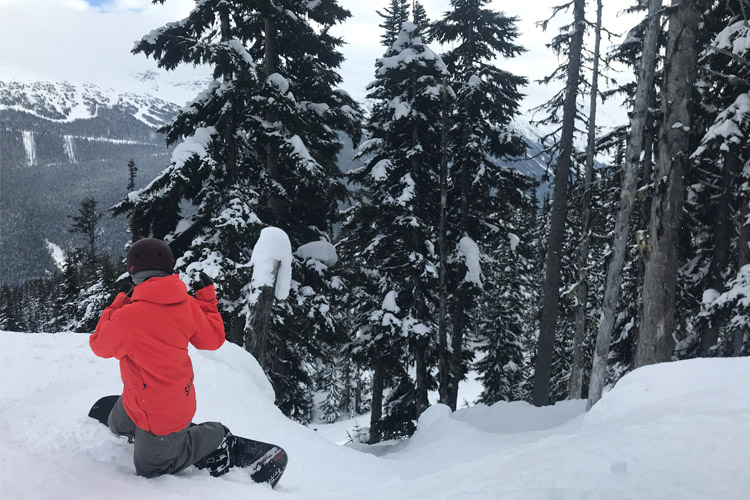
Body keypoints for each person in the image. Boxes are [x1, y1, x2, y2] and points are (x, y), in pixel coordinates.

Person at [90, 237, 234, 478]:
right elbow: (213, 339)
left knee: (150, 470)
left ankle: (216, 435)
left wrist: (115, 307)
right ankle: (143, 426)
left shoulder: (128, 316)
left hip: (163, 413)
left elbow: (99, 346)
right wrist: (207, 301)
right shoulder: (187, 304)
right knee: (116, 427)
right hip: (143, 397)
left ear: (134, 276)